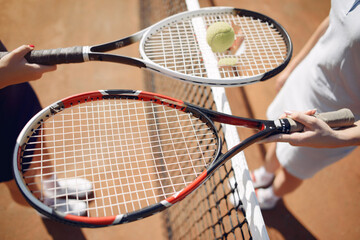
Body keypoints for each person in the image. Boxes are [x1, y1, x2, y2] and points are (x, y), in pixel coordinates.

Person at [230, 0, 360, 210]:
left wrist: (336, 136)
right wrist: (295, 65)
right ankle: (265, 174)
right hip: (306, 79)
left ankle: (270, 197)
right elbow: (332, 22)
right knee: (279, 137)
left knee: (295, 167)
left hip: (336, 113)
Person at [0, 44, 92, 215]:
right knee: (19, 178)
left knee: (35, 133)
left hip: (10, 86)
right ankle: (44, 205)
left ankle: (52, 186)